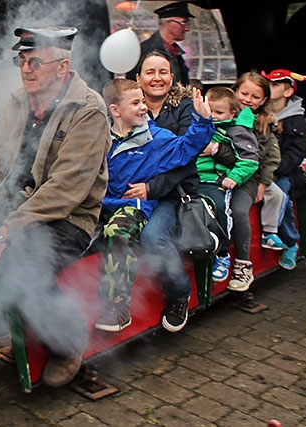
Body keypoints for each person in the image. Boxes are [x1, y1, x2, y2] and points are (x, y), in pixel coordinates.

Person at [0, 26, 111, 388]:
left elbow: (67, 189)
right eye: (21, 60)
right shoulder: (20, 101)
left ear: (62, 67)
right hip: (20, 207)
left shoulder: (89, 110)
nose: (26, 69)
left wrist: (7, 229)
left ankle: (67, 343)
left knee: (21, 265)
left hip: (68, 218)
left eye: (35, 61)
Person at [94, 78, 214, 332]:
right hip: (100, 202)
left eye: (143, 102)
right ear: (115, 110)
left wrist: (203, 122)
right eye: (135, 103)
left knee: (118, 231)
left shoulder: (155, 137)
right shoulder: (99, 136)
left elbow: (187, 148)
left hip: (135, 205)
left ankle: (118, 307)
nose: (143, 108)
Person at [125, 51, 198, 333]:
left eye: (163, 72)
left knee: (153, 237)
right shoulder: (126, 104)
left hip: (171, 192)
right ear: (138, 78)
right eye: (150, 72)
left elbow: (185, 158)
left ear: (172, 77)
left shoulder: (184, 108)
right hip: (131, 189)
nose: (157, 78)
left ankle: (180, 293)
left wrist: (152, 188)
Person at [212, 71, 281, 290]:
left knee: (238, 210)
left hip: (248, 178)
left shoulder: (262, 124)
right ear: (235, 90)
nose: (247, 100)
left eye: (254, 96)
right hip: (221, 174)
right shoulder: (220, 113)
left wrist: (263, 182)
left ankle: (243, 264)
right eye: (244, 93)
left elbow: (260, 158)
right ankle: (217, 256)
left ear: (263, 101)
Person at [196, 87, 259, 286]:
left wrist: (233, 177)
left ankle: (224, 253)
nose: (214, 117)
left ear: (232, 113)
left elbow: (249, 160)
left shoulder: (237, 132)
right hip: (195, 179)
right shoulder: (199, 125)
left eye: (219, 113)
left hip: (218, 180)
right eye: (210, 111)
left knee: (223, 209)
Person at [262, 69, 306, 269]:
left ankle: (291, 241)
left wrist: (274, 169)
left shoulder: (296, 119)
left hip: (288, 171)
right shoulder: (259, 112)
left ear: (288, 92)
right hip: (261, 168)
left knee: (281, 193)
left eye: (274, 85)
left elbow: (296, 153)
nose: (269, 88)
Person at [126, 2, 194, 86]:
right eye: (183, 23)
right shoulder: (144, 51)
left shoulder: (175, 52)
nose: (187, 28)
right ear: (168, 22)